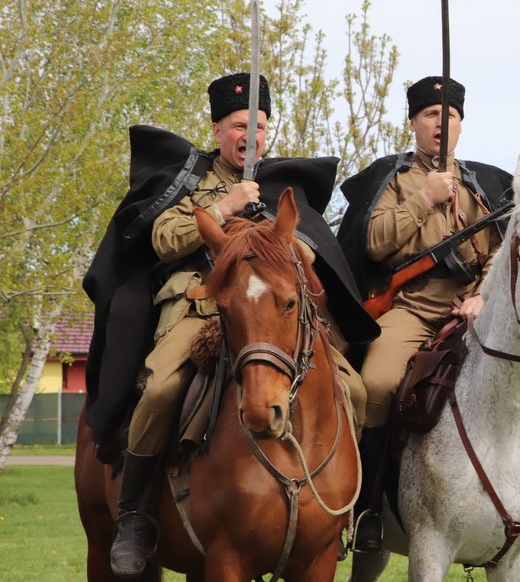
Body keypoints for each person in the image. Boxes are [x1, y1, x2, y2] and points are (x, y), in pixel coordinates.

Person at [91, 73, 377, 578]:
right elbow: (160, 237)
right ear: (218, 128)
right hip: (199, 309)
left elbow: (308, 251)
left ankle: (342, 510)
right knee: (159, 389)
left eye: (260, 126)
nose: (251, 135)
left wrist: (276, 238)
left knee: (353, 388)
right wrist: (221, 207)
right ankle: (135, 514)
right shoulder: (187, 180)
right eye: (239, 124)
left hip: (270, 315)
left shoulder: (280, 189)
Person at [337, 75, 520, 556]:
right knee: (375, 384)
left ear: (461, 125)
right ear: (414, 122)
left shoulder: (483, 184)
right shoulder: (393, 179)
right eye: (432, 115)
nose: (442, 124)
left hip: (476, 308)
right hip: (411, 308)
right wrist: (423, 199)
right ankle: (369, 511)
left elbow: (508, 256)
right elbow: (372, 244)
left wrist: (481, 295)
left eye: (450, 116)